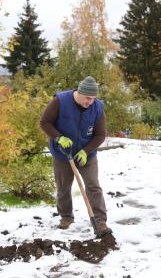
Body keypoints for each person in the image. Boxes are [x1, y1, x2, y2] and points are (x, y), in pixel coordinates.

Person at [40, 76, 111, 234]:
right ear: (79, 93)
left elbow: (100, 135)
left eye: (93, 98)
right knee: (63, 187)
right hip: (62, 153)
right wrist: (58, 137)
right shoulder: (60, 101)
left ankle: (100, 222)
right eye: (87, 98)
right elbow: (45, 122)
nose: (90, 102)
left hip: (87, 154)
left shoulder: (98, 108)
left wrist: (86, 151)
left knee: (93, 186)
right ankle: (66, 217)